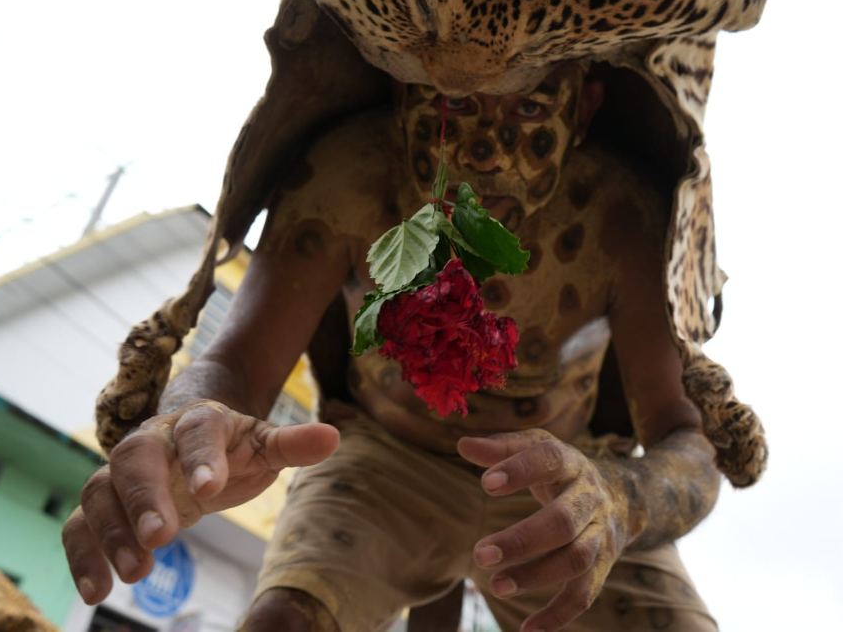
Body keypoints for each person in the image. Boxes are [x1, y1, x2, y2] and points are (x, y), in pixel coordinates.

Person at [62, 61, 724, 631]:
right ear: (405, 92)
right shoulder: (348, 177)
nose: (486, 152)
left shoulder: (623, 218)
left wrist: (619, 499)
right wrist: (186, 420)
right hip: (380, 463)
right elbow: (237, 364)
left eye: (527, 108)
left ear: (583, 107)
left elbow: (687, 443)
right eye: (456, 103)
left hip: (568, 480)